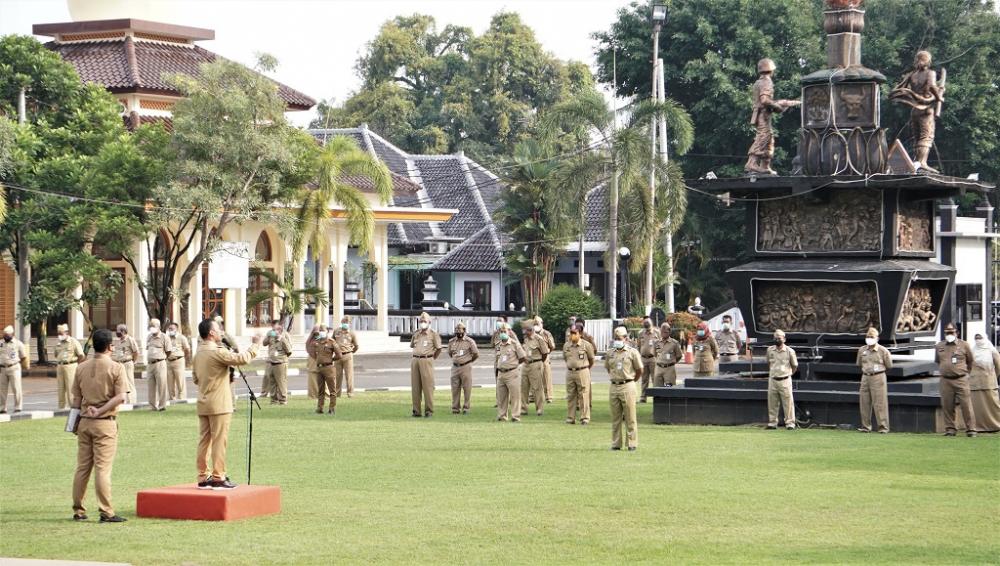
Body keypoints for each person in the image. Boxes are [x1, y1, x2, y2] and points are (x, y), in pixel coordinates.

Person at [192, 319, 260, 489]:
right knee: (219, 441)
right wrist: (255, 345)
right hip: (219, 404)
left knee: (204, 441)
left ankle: (203, 476)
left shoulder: (198, 352)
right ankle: (218, 476)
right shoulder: (217, 352)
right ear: (211, 333)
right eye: (218, 329)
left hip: (204, 402)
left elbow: (195, 378)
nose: (220, 332)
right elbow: (241, 358)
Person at [70, 328, 127, 522]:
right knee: (103, 469)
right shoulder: (116, 367)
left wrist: (73, 424)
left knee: (83, 467)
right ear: (110, 346)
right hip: (105, 423)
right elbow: (121, 397)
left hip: (85, 422)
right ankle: (106, 511)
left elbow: (76, 400)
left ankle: (78, 509)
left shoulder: (81, 368)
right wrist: (101, 410)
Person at [889, 50, 944, 172]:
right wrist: (940, 97)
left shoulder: (911, 75)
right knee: (926, 136)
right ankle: (922, 162)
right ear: (928, 61)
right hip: (926, 109)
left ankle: (916, 162)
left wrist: (909, 94)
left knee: (917, 137)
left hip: (914, 110)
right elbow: (931, 87)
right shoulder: (930, 73)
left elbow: (897, 88)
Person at [745, 58, 800, 175]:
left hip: (763, 114)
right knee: (763, 137)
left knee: (769, 140)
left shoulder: (758, 82)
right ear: (770, 69)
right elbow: (764, 100)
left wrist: (782, 103)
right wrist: (778, 107)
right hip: (763, 115)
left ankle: (765, 166)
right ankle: (752, 163)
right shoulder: (766, 81)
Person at [935, 323, 977, 437]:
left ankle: (971, 430)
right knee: (947, 405)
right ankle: (950, 429)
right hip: (945, 380)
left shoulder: (964, 345)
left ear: (956, 333)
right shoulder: (939, 346)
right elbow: (938, 361)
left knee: (966, 405)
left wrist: (966, 373)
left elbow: (970, 361)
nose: (949, 334)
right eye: (947, 332)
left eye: (951, 332)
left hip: (961, 379)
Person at [605, 327, 642, 451]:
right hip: (614, 386)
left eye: (619, 339)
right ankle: (616, 443)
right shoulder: (610, 353)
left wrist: (631, 380)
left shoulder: (632, 352)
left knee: (630, 417)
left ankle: (632, 443)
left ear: (625, 339)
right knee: (615, 418)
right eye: (615, 339)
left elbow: (639, 370)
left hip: (628, 385)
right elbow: (608, 368)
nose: (617, 341)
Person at [855, 327, 893, 433]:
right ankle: (865, 427)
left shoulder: (883, 351)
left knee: (880, 402)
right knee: (864, 402)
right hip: (865, 376)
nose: (869, 339)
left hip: (878, 376)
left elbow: (889, 365)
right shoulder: (862, 350)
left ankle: (883, 427)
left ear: (877, 338)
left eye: (871, 337)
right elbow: (859, 363)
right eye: (867, 337)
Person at [410, 312, 442, 417]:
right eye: (421, 321)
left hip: (426, 360)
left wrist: (431, 358)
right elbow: (412, 345)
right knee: (415, 387)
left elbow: (438, 349)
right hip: (415, 360)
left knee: (428, 387)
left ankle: (429, 411)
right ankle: (416, 411)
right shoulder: (416, 334)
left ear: (429, 322)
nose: (423, 323)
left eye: (425, 321)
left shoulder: (433, 334)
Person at [766, 329, 798, 430]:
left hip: (785, 379)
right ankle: (772, 423)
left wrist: (788, 374)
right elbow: (768, 363)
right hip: (773, 380)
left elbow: (795, 365)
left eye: (779, 338)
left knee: (788, 403)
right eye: (775, 338)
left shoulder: (790, 351)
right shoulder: (770, 350)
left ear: (784, 339)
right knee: (772, 403)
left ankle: (790, 423)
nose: (777, 340)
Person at [563, 326, 595, 425]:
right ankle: (570, 417)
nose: (572, 335)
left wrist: (584, 369)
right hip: (570, 372)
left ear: (580, 334)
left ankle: (584, 418)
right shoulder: (566, 345)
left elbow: (591, 359)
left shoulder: (586, 345)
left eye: (574, 333)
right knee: (571, 395)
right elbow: (566, 358)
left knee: (584, 395)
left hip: (582, 371)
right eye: (571, 333)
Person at [969, 334, 1000, 433]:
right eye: (976, 338)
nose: (978, 340)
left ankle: (995, 425)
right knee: (977, 407)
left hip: (989, 382)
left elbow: (998, 365)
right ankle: (978, 427)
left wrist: (993, 376)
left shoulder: (991, 350)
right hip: (975, 384)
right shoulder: (972, 351)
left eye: (980, 338)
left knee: (993, 405)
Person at [519, 322, 550, 417]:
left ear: (531, 330)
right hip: (526, 365)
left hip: (535, 364)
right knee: (524, 387)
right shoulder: (526, 339)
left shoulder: (539, 339)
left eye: (526, 330)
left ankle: (539, 408)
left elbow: (545, 353)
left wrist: (539, 362)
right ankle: (523, 408)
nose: (524, 332)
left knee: (537, 388)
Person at [448, 322, 479, 414]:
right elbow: (450, 353)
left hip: (466, 366)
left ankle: (466, 407)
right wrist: (456, 360)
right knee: (455, 388)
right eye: (456, 329)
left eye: (460, 329)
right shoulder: (452, 342)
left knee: (467, 388)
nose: (458, 331)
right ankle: (455, 408)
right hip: (455, 367)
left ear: (464, 330)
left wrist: (469, 361)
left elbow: (476, 354)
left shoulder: (469, 342)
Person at [495, 330, 526, 422]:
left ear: (509, 332)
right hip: (501, 373)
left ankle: (515, 416)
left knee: (515, 396)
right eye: (500, 331)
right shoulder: (498, 345)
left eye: (504, 331)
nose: (502, 333)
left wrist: (513, 365)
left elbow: (523, 357)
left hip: (512, 372)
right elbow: (498, 358)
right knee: (501, 396)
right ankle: (502, 416)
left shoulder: (514, 344)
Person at [54, 323, 85, 410]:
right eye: (58, 333)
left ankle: (72, 407)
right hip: (60, 366)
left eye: (61, 333)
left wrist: (76, 364)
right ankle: (61, 407)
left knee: (71, 387)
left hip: (71, 365)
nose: (59, 335)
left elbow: (81, 355)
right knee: (60, 388)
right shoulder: (59, 343)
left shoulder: (73, 342)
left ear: (67, 332)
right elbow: (56, 354)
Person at [261, 321, 292, 405]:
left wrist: (281, 339)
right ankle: (274, 400)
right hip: (271, 362)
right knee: (272, 382)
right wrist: (268, 335)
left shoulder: (284, 336)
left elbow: (289, 350)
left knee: (281, 382)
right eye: (273, 328)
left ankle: (283, 400)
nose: (274, 330)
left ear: (280, 328)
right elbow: (264, 343)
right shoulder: (271, 335)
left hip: (280, 362)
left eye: (276, 328)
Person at [0, 326, 29, 413]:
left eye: (7, 335)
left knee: (16, 388)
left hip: (14, 368)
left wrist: (18, 364)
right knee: (2, 389)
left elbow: (23, 356)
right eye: (4, 335)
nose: (5, 336)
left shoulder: (18, 343)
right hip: (2, 369)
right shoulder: (1, 343)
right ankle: (2, 408)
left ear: (12, 334)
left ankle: (18, 407)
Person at [145, 319, 172, 411]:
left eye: (153, 326)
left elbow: (168, 351)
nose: (151, 328)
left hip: (160, 363)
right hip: (150, 364)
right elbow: (147, 349)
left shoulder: (164, 337)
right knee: (150, 385)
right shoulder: (149, 337)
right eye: (150, 326)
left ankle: (162, 405)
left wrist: (162, 358)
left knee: (162, 385)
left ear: (159, 327)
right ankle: (152, 406)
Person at [314, 328, 342, 415]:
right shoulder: (317, 342)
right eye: (321, 330)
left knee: (332, 390)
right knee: (320, 390)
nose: (322, 332)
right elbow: (314, 352)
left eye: (323, 330)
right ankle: (320, 408)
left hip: (329, 367)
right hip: (319, 368)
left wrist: (331, 359)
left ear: (327, 332)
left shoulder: (331, 342)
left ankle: (332, 408)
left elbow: (339, 355)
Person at [214, 316, 239, 409]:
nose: (219, 325)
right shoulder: (212, 337)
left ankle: (232, 405)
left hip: (228, 365)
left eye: (221, 324)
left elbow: (236, 348)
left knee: (230, 385)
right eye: (217, 323)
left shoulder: (227, 336)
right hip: (216, 365)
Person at [333, 316, 359, 398]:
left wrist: (351, 352)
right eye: (344, 322)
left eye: (347, 322)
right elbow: (331, 341)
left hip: (348, 355)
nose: (345, 323)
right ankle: (337, 394)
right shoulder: (336, 331)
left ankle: (350, 393)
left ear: (350, 323)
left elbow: (356, 346)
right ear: (341, 322)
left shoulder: (352, 333)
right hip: (337, 356)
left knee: (349, 376)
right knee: (337, 376)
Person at [112, 324, 139, 405]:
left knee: (129, 383)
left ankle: (132, 402)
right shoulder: (119, 341)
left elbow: (136, 352)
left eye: (118, 331)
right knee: (122, 384)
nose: (117, 332)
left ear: (123, 331)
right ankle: (124, 402)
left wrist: (133, 361)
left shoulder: (130, 339)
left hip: (127, 363)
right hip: (120, 364)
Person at [165, 322, 191, 401]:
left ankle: (182, 398)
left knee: (180, 381)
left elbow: (187, 349)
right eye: (169, 329)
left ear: (177, 329)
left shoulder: (181, 338)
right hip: (168, 361)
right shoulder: (166, 338)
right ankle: (172, 398)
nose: (170, 330)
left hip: (178, 361)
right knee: (170, 382)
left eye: (172, 329)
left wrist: (182, 356)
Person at [653, 322, 684, 388]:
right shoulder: (656, 343)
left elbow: (679, 356)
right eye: (662, 332)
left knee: (670, 389)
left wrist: (672, 362)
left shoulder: (674, 343)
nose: (663, 334)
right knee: (657, 389)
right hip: (658, 368)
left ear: (669, 332)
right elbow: (655, 354)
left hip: (669, 369)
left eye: (665, 332)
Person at [534, 316, 556, 403]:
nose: (536, 325)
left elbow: (552, 346)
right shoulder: (531, 334)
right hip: (535, 359)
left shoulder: (547, 334)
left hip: (545, 358)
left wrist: (547, 352)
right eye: (534, 324)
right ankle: (533, 397)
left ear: (542, 324)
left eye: (537, 323)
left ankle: (549, 397)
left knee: (546, 378)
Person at [637, 317, 659, 403]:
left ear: (651, 325)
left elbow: (660, 345)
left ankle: (656, 397)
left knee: (655, 379)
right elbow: (639, 345)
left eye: (648, 326)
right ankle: (643, 398)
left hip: (653, 358)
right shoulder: (641, 333)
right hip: (643, 359)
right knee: (644, 380)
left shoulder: (657, 332)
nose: (647, 328)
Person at [305, 324, 327, 401]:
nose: (317, 333)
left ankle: (325, 395)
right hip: (312, 360)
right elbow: (308, 346)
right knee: (312, 377)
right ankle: (313, 395)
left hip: (323, 359)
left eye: (319, 331)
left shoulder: (325, 339)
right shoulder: (311, 340)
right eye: (315, 332)